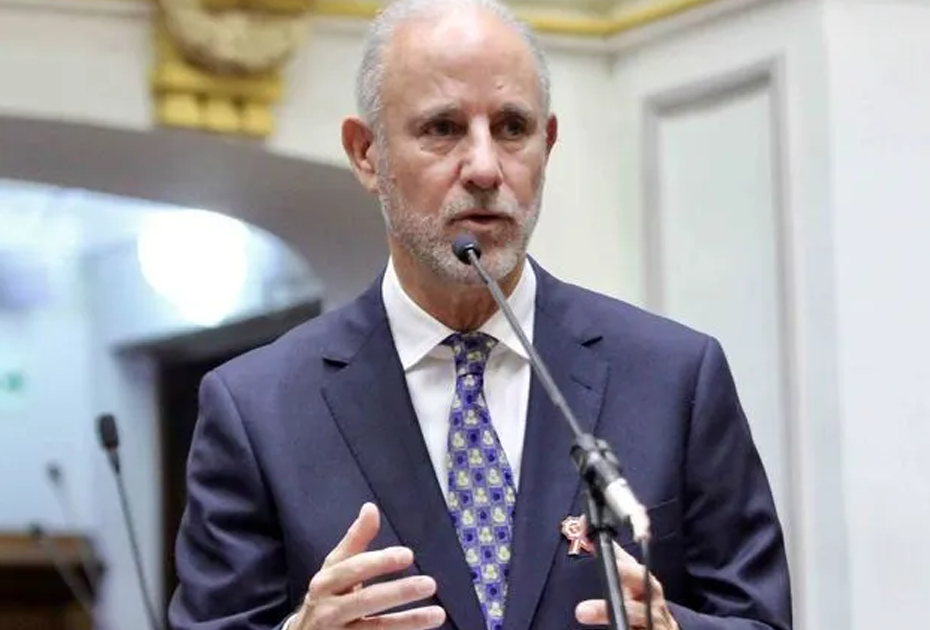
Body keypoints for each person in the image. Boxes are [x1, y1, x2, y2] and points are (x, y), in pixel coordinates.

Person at [166, 0, 793, 628]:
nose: (487, 168)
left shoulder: (673, 378)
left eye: (513, 127)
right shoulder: (257, 410)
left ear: (547, 144)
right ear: (366, 154)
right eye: (443, 128)